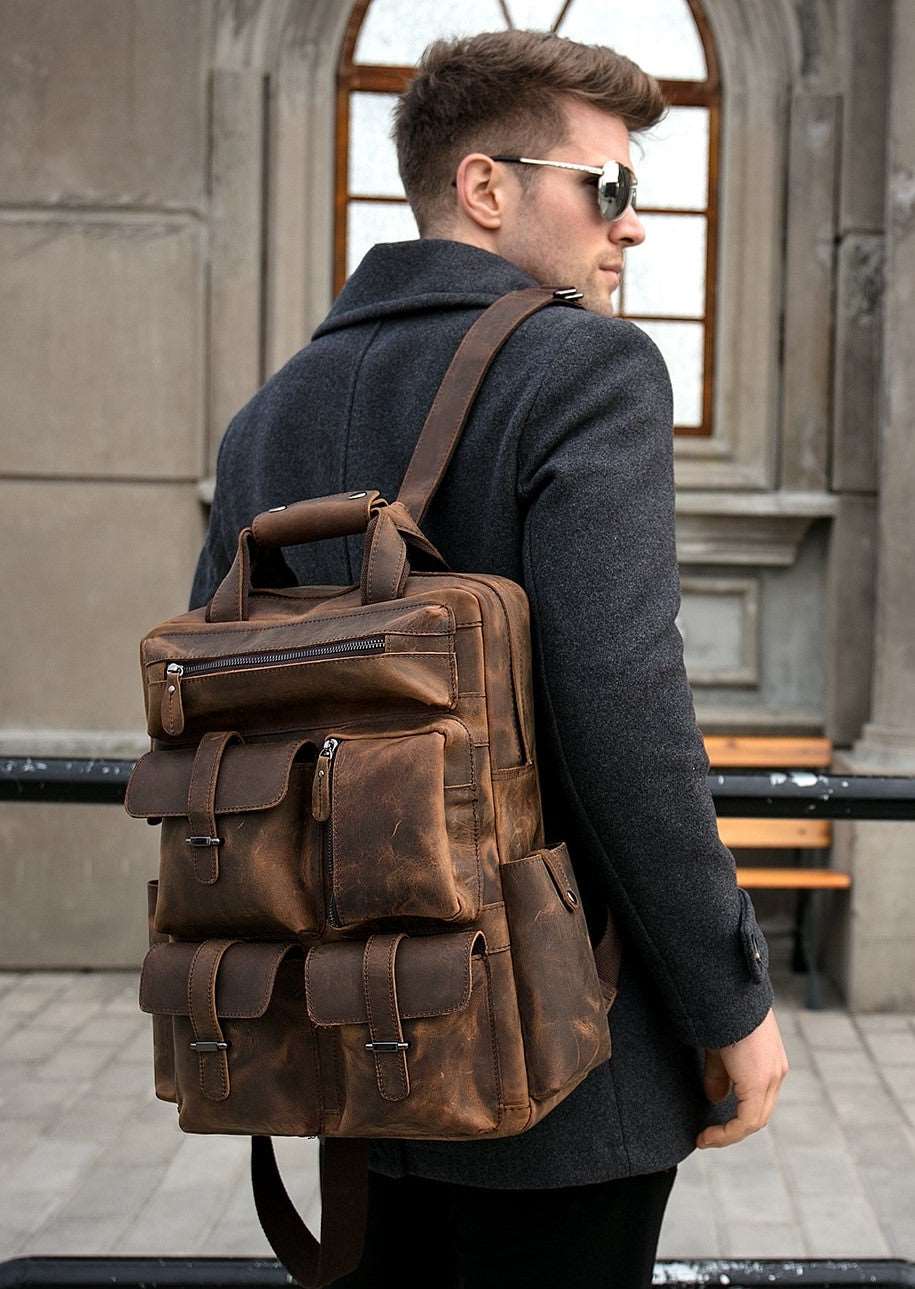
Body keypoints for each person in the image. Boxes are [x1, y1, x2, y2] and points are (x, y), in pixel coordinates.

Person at [189, 27, 789, 1289]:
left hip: (349, 1047)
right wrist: (731, 1001)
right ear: (484, 187)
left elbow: (215, 718)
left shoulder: (269, 415)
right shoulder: (588, 367)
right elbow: (626, 707)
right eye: (607, 186)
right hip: (559, 1060)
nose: (631, 226)